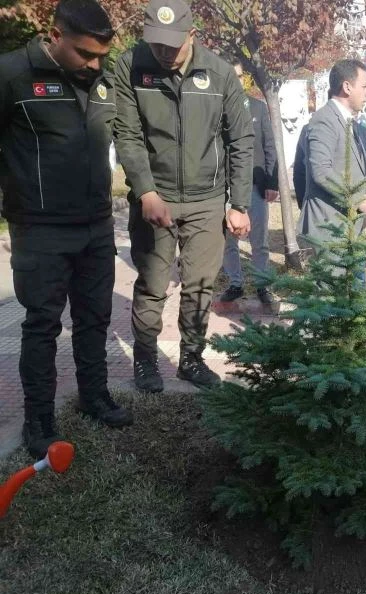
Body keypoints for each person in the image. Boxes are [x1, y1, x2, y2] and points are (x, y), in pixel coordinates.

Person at [0, 0, 133, 458]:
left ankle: (94, 397)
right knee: (41, 326)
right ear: (55, 37)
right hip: (39, 229)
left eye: (101, 55)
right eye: (85, 54)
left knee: (95, 319)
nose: (95, 64)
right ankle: (40, 421)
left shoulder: (102, 77)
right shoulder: (13, 74)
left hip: (97, 225)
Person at [114, 0, 254, 392]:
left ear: (192, 35)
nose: (163, 52)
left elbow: (240, 138)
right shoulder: (131, 66)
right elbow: (127, 134)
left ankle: (191, 358)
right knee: (153, 284)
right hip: (156, 197)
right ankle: (145, 361)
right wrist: (145, 191)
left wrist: (238, 203)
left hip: (207, 200)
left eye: (172, 45)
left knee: (199, 285)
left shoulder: (220, 73)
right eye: (156, 44)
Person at [298, 59, 366, 247]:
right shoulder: (324, 120)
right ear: (347, 87)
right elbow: (321, 172)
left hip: (347, 227)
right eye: (365, 86)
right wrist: (357, 200)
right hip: (329, 228)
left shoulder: (347, 122)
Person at [220, 61, 278, 306]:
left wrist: (271, 182)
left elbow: (269, 146)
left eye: (240, 76)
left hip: (254, 185)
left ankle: (262, 285)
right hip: (223, 188)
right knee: (227, 240)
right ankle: (235, 283)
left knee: (259, 241)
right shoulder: (214, 108)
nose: (237, 80)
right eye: (232, 76)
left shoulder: (258, 107)